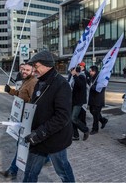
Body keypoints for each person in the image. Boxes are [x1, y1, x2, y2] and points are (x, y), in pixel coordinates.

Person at [23, 50, 75, 182]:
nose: (34, 70)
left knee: (62, 170)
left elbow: (62, 117)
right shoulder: (39, 82)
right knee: (29, 173)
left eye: (36, 66)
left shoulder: (61, 85)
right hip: (38, 139)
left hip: (55, 139)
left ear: (47, 65)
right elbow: (35, 105)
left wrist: (39, 134)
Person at [0, 63, 38, 180]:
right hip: (22, 118)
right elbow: (21, 95)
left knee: (21, 145)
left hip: (27, 120)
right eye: (23, 69)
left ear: (33, 71)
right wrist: (10, 91)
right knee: (30, 147)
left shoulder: (33, 83)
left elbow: (33, 102)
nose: (24, 71)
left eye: (27, 70)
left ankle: (12, 171)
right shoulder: (26, 81)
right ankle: (46, 158)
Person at [70, 63, 89, 141]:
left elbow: (80, 85)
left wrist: (74, 75)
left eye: (73, 71)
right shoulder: (76, 77)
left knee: (73, 118)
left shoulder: (82, 76)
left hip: (79, 101)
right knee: (73, 119)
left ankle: (85, 130)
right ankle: (75, 135)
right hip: (74, 100)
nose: (72, 72)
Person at [88, 65, 108, 135]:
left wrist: (91, 86)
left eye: (91, 71)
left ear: (94, 71)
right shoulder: (92, 77)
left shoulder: (100, 78)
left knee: (95, 115)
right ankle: (103, 120)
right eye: (89, 71)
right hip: (92, 99)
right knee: (92, 111)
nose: (90, 72)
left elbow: (100, 88)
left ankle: (95, 129)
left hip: (98, 99)